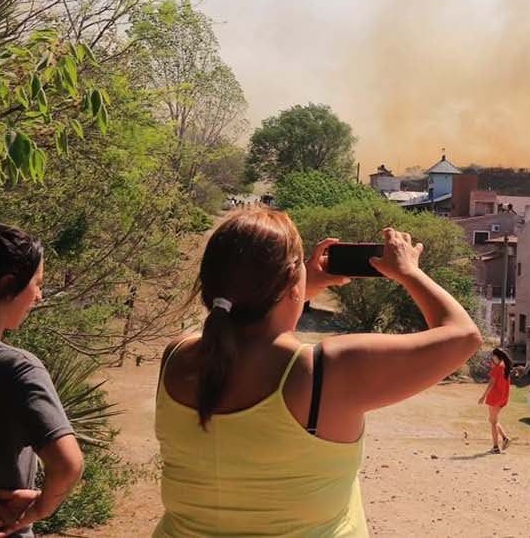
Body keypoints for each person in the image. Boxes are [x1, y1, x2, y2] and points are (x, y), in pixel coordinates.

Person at [154, 208, 481, 537]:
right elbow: (463, 337)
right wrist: (409, 272)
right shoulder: (325, 373)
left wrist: (298, 286)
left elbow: (242, 327)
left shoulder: (178, 358)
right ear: (292, 283)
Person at [0, 200, 84, 538]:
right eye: (37, 284)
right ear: (5, 285)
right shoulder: (16, 370)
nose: (38, 297)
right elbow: (67, 465)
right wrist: (37, 507)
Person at [476, 347, 514, 454]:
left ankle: (496, 447)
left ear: (497, 356)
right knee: (493, 420)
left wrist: (483, 397)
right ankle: (505, 439)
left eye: (493, 356)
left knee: (493, 422)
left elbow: (491, 384)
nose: (492, 358)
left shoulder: (498, 368)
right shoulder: (504, 367)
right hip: (502, 397)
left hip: (495, 397)